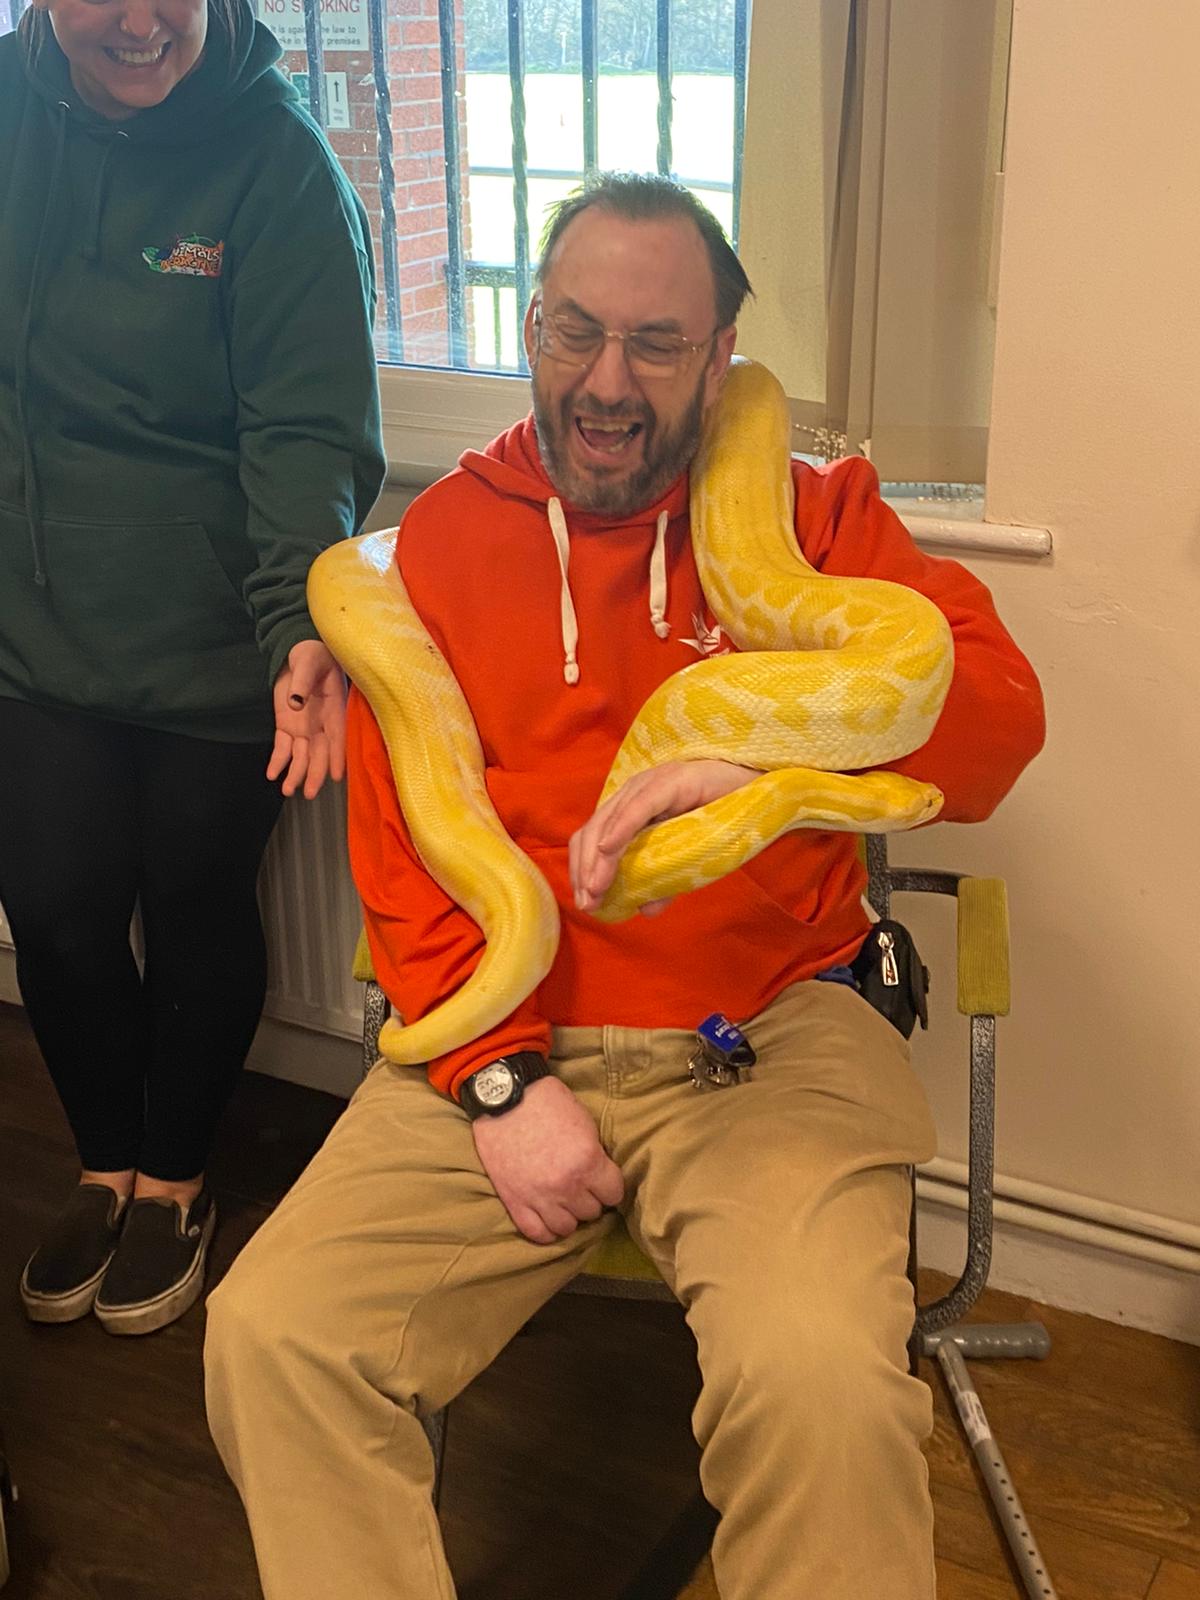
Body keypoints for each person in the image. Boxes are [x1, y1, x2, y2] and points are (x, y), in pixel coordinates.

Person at [204, 174, 1045, 1598]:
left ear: (725, 356)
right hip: (506, 1033)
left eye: (657, 343)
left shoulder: (818, 527)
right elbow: (406, 857)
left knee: (824, 1398)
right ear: (530, 326)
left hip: (765, 1035)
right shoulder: (442, 548)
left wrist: (761, 749)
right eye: (573, 331)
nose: (605, 383)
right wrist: (492, 1080)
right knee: (275, 1336)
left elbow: (997, 733)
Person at [0, 0, 385, 1336]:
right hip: (33, 627)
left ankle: (174, 1175)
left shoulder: (275, 169)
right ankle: (103, 1160)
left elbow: (308, 430)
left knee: (194, 893)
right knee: (50, 908)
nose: (141, 18)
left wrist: (297, 622)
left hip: (225, 636)